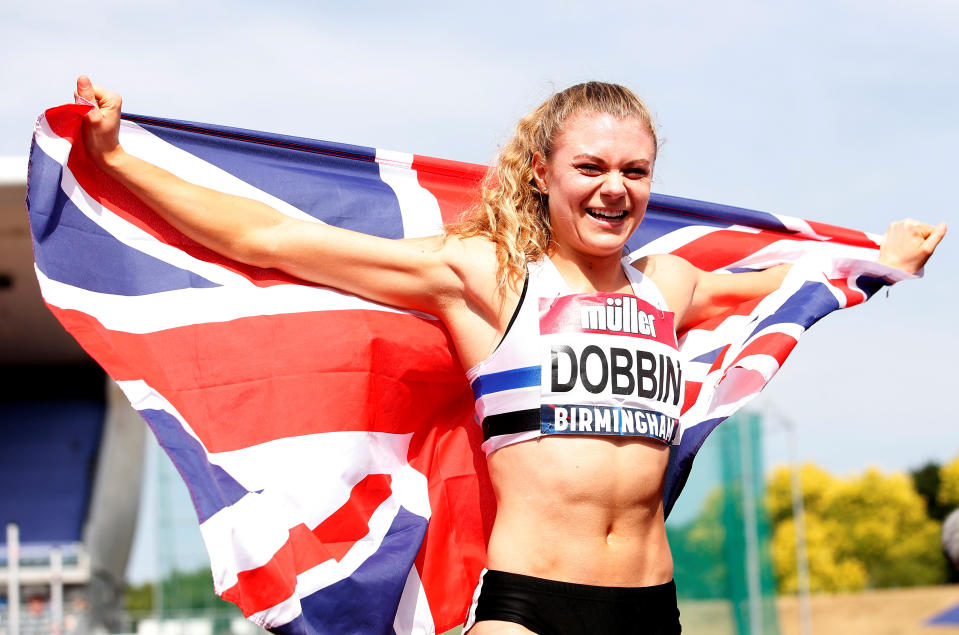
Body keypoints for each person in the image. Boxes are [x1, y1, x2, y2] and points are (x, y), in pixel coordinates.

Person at [74, 76, 945, 634]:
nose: (615, 188)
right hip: (530, 604)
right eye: (592, 166)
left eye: (635, 171)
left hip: (650, 606)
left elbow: (781, 280)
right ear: (540, 170)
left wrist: (879, 260)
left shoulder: (668, 287)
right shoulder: (484, 279)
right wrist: (116, 158)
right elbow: (273, 238)